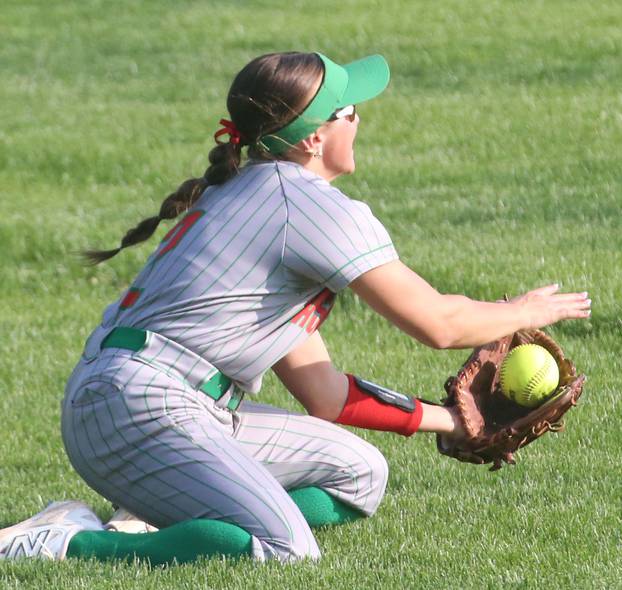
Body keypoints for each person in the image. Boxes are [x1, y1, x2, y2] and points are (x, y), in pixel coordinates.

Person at [0, 51, 590, 565]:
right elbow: (440, 323)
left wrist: (454, 422)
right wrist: (522, 311)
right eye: (349, 110)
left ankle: (168, 510)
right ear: (314, 137)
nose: (360, 118)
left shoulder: (257, 195)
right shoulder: (303, 206)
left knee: (362, 474)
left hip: (147, 402)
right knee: (285, 548)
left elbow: (324, 394)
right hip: (140, 409)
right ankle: (66, 543)